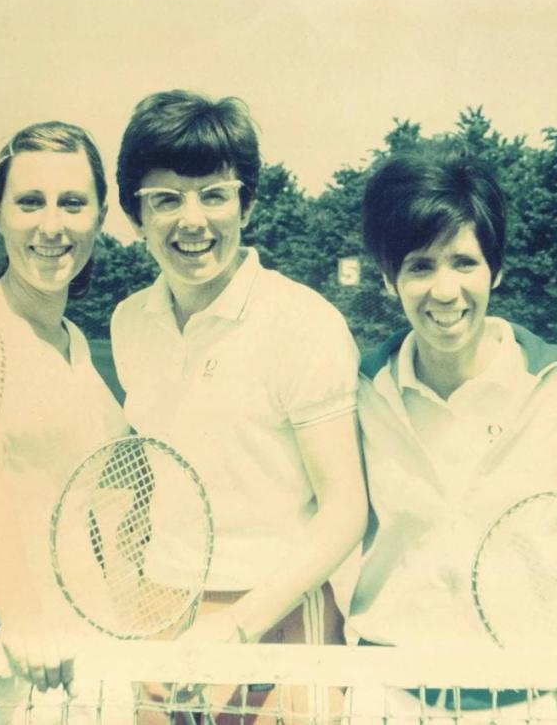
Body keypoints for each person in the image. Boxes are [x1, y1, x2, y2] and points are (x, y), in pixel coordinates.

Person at [110, 90, 367, 721]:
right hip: (162, 613)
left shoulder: (305, 322)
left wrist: (239, 628)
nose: (191, 220)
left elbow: (345, 510)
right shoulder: (129, 323)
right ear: (136, 216)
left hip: (278, 615)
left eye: (214, 195)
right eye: (165, 199)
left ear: (246, 204)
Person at [345, 153, 557, 720]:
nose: (445, 290)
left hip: (537, 701)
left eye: (464, 262)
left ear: (495, 270)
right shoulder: (360, 392)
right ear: (389, 278)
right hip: (391, 697)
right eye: (420, 266)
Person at [0, 122, 129, 693]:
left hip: (96, 647)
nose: (51, 226)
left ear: (100, 217)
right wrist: (25, 619)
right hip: (17, 656)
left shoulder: (76, 344)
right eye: (30, 202)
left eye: (73, 204)